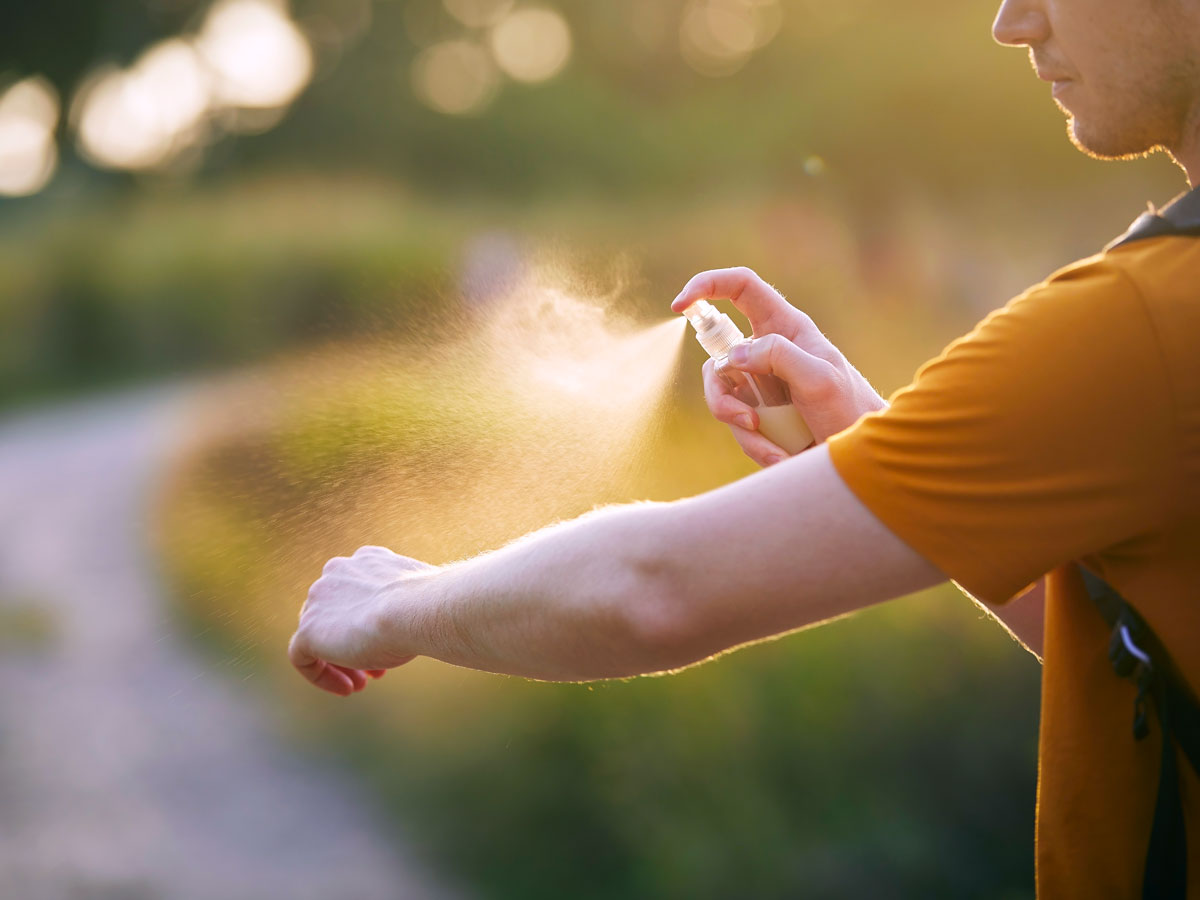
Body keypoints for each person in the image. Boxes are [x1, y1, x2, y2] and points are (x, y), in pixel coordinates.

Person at [288, 0, 1200, 894]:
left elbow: (653, 590)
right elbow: (1127, 641)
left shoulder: (1143, 321)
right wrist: (871, 449)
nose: (1012, 21)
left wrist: (395, 601)